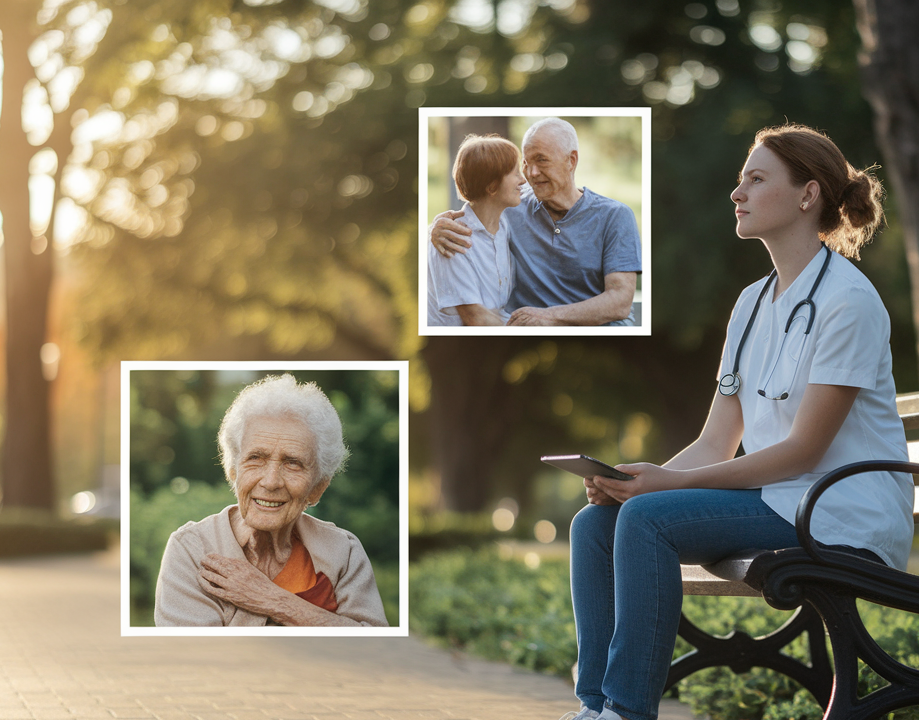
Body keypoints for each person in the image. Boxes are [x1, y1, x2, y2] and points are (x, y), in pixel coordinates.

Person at [505, 124, 913, 720]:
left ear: (808, 195)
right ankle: (599, 714)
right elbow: (716, 439)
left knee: (647, 518)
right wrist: (643, 476)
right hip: (779, 500)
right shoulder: (752, 305)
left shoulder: (849, 302)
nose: (737, 191)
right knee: (599, 522)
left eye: (756, 179)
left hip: (838, 510)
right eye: (742, 177)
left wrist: (660, 490)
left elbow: (806, 450)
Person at [153, 375, 389, 627]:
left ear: (317, 488)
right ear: (233, 472)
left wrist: (271, 600)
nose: (271, 481)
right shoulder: (192, 549)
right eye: (256, 458)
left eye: (292, 463)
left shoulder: (344, 552)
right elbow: (196, 659)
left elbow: (375, 647)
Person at [431, 117, 641, 325]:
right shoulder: (512, 205)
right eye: (525, 162)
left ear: (571, 160)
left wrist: (550, 316)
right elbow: (479, 204)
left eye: (541, 160)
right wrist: (436, 228)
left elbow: (620, 301)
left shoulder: (615, 215)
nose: (531, 174)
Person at [426, 134, 524, 326]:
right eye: (516, 173)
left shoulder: (505, 222)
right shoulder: (453, 239)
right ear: (492, 186)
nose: (523, 180)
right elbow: (476, 318)